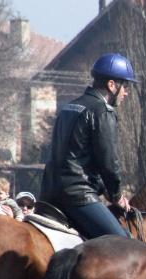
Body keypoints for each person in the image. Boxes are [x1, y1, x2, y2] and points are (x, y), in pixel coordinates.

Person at [40, 53, 135, 239]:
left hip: (49, 192)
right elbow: (108, 161)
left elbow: (73, 158)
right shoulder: (102, 111)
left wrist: (102, 189)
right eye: (125, 86)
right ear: (111, 85)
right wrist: (116, 196)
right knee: (124, 244)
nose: (126, 92)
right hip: (77, 195)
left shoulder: (69, 107)